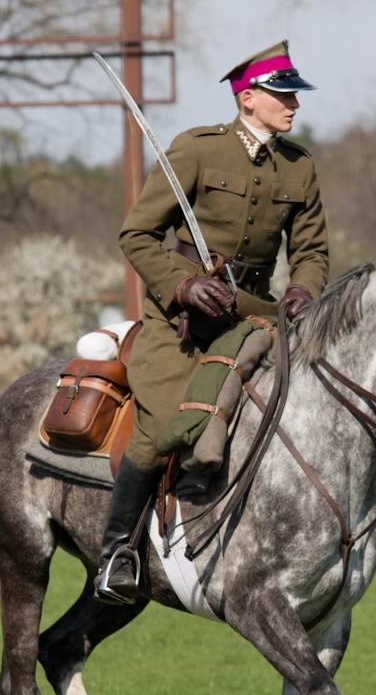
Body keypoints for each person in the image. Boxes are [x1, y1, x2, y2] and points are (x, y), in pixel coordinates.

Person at [95, 39, 329, 604]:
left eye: (294, 95)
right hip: (180, 322)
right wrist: (181, 283)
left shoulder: (300, 167)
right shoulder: (196, 150)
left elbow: (313, 252)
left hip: (255, 316)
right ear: (248, 98)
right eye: (281, 94)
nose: (293, 104)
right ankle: (117, 552)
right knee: (160, 428)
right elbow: (137, 235)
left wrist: (303, 288)